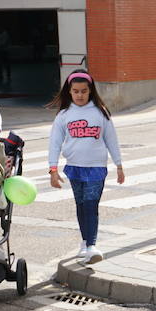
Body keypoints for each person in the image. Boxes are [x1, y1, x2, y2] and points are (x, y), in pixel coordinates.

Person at [47, 70, 124, 265]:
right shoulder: (64, 115)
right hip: (74, 167)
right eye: (76, 91)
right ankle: (85, 241)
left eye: (83, 91)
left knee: (91, 204)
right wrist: (53, 170)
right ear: (70, 92)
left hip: (96, 167)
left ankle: (92, 245)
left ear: (90, 91)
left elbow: (111, 139)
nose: (80, 95)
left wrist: (119, 165)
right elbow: (54, 143)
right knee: (81, 205)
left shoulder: (100, 112)